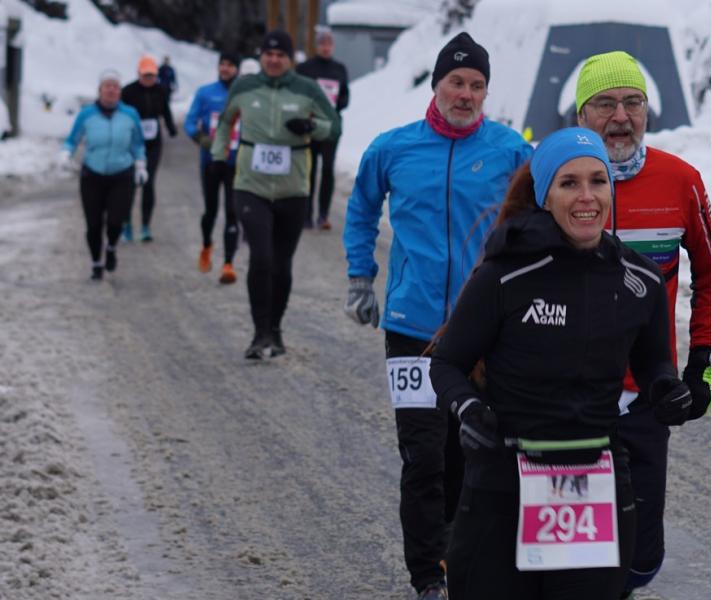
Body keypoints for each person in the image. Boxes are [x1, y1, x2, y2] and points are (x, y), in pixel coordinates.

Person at [429, 126, 694, 600]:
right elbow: (447, 362)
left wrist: (664, 390)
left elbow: (654, 363)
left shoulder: (641, 280)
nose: (586, 197)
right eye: (569, 183)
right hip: (505, 477)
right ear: (544, 196)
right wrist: (468, 409)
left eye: (598, 181)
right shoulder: (505, 274)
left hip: (595, 478)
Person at [342, 32, 532, 600]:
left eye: (476, 84)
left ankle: (459, 553)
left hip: (484, 330)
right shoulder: (393, 148)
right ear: (436, 85)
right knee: (423, 455)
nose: (466, 93)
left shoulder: (511, 151)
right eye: (456, 81)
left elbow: (538, 220)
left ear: (486, 92)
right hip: (412, 327)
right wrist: (360, 277)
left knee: (470, 451)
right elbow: (360, 209)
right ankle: (427, 574)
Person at [573, 50, 711, 599]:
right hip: (565, 397)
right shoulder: (555, 179)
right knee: (572, 550)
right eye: (605, 104)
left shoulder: (680, 180)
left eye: (633, 102)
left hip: (644, 397)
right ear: (581, 115)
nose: (621, 117)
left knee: (640, 556)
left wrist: (703, 362)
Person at [211, 30, 340, 359]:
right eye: (268, 54)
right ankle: (259, 333)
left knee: (282, 264)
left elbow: (334, 125)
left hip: (293, 188)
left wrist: (312, 128)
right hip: (250, 185)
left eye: (280, 55)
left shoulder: (307, 88)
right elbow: (225, 122)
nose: (273, 60)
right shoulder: (244, 86)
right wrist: (218, 155)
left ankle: (276, 329)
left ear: (289, 58)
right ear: (261, 56)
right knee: (261, 257)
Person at [60, 69, 146, 280]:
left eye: (115, 86)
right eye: (107, 86)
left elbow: (138, 143)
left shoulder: (130, 114)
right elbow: (72, 139)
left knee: (116, 221)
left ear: (120, 91)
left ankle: (111, 247)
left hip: (121, 174)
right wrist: (65, 153)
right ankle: (96, 263)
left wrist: (141, 165)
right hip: (93, 175)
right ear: (99, 90)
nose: (111, 90)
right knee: (94, 224)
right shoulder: (87, 114)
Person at [185, 51, 242, 284]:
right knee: (210, 210)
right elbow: (190, 122)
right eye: (222, 64)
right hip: (211, 162)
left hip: (236, 163)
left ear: (237, 69)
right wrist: (202, 139)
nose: (225, 68)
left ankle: (228, 264)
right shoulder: (205, 93)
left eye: (230, 64)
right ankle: (207, 245)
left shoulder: (245, 94)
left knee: (232, 211)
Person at [296, 26, 349, 230]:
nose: (326, 47)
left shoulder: (339, 69)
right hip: (310, 125)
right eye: (322, 44)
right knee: (308, 170)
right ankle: (306, 215)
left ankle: (323, 215)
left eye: (329, 44)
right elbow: (297, 93)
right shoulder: (305, 68)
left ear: (333, 46)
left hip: (331, 126)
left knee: (327, 169)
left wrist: (335, 104)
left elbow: (345, 96)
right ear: (316, 46)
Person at [121, 54, 177, 242]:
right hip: (132, 143)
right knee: (129, 184)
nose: (148, 78)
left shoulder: (160, 90)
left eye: (151, 75)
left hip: (153, 143)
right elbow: (121, 114)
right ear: (139, 74)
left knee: (148, 182)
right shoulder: (128, 91)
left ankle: (145, 226)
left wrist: (171, 127)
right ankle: (127, 225)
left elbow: (166, 110)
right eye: (145, 75)